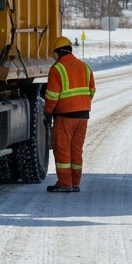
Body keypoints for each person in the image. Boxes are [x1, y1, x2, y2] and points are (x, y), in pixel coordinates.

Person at [42, 35, 95, 193]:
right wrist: (81, 104)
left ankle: (65, 184)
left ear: (57, 53)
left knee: (62, 149)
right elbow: (91, 90)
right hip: (83, 116)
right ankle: (75, 182)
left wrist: (47, 112)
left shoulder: (57, 69)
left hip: (65, 116)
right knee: (76, 149)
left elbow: (52, 95)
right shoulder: (85, 67)